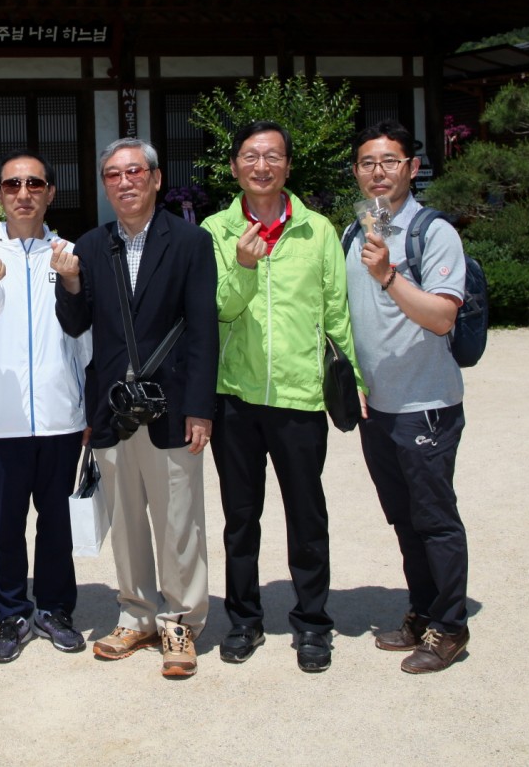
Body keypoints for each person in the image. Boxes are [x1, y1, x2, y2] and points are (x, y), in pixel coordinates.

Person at [56, 138, 217, 679]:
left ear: (155, 178)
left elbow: (203, 328)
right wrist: (70, 281)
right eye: (112, 174)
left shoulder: (190, 241)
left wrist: (200, 407)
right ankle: (136, 613)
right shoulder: (90, 244)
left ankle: (181, 620)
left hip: (173, 403)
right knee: (124, 519)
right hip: (113, 405)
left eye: (133, 172)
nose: (123, 182)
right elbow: (76, 324)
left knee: (178, 519)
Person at [201, 119, 358, 673]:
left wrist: (352, 383)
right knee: (240, 519)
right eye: (250, 156)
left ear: (288, 165)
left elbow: (337, 313)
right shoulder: (215, 230)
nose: (261, 166)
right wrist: (244, 267)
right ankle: (244, 619)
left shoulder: (318, 230)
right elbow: (216, 309)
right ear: (234, 167)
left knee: (307, 515)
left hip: (300, 396)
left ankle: (313, 622)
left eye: (272, 156)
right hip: (235, 397)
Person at [0, 151, 91, 664]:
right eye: (12, 185)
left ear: (50, 192)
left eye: (34, 184)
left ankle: (55, 609)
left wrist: (86, 406)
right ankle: (11, 613)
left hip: (60, 417)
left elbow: (86, 339)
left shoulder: (70, 253)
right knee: (6, 524)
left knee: (56, 522)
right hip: (1, 420)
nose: (23, 193)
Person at [344, 121, 471, 673]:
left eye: (390, 161)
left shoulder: (433, 232)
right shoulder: (354, 232)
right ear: (357, 172)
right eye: (368, 162)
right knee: (403, 517)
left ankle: (451, 625)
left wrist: (389, 275)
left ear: (412, 168)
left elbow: (442, 316)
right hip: (378, 407)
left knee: (435, 518)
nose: (378, 172)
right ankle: (423, 609)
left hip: (426, 405)